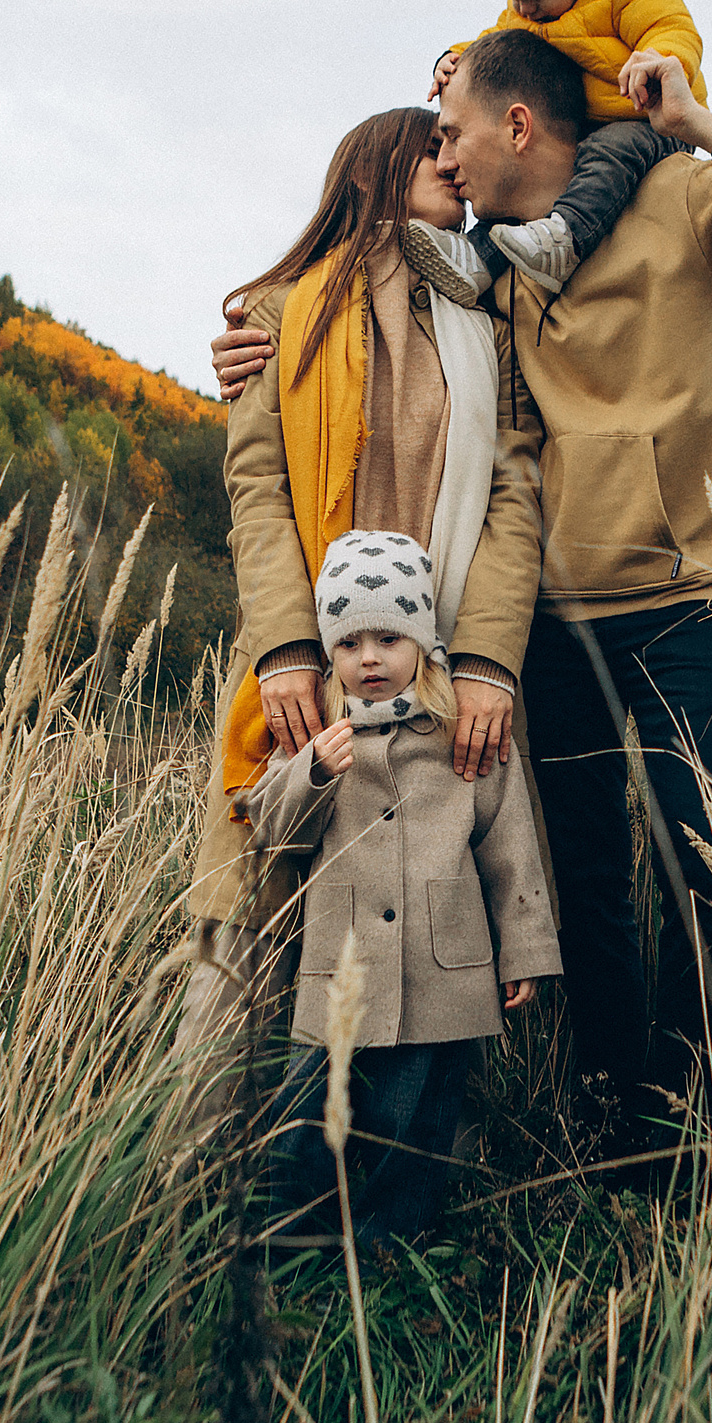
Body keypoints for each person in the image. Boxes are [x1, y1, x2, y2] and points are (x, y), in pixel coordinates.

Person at [215, 31, 712, 1166]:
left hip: (679, 600)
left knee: (705, 863)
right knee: (581, 885)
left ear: (514, 128)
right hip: (545, 629)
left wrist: (704, 128)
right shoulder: (488, 267)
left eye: (457, 133)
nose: (449, 154)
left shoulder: (684, 200)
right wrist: (255, 337)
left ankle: (702, 1127)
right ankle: (614, 1123)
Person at [174, 107, 541, 1134]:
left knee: (428, 910)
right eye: (437, 152)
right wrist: (287, 648)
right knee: (252, 917)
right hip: (310, 667)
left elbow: (513, 502)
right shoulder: (275, 314)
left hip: (435, 674)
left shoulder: (485, 327)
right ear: (381, 166)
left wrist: (485, 664)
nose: (458, 171)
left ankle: (386, 1193)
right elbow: (257, 494)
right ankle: (195, 1179)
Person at [245, 531, 558, 1247]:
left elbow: (508, 844)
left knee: (414, 1125)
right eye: (350, 641)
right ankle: (286, 1244)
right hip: (339, 968)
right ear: (331, 651)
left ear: (422, 640)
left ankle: (393, 1253)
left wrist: (525, 948)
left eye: (389, 636)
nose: (370, 658)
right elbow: (274, 835)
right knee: (305, 1114)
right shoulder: (317, 734)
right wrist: (313, 773)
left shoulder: (462, 734)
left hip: (438, 969)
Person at [404, 0, 706, 301]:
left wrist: (659, 62)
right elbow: (496, 42)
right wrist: (456, 58)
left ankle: (565, 242)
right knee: (513, 179)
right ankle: (477, 260)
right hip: (586, 123)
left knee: (606, 156)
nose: (523, 8)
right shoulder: (530, 8)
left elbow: (673, 28)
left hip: (648, 119)